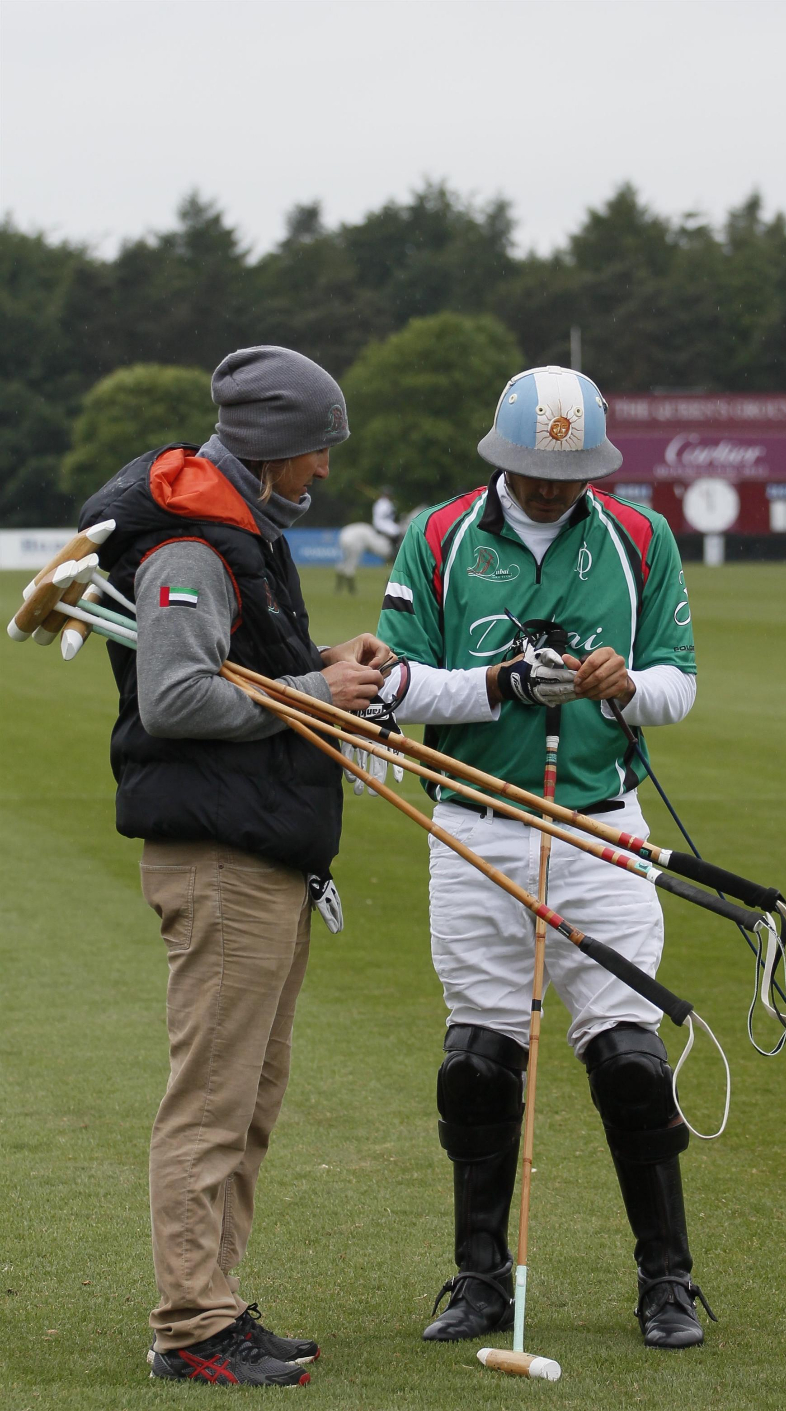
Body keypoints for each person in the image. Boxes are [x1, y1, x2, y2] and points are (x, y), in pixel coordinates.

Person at [375, 365, 710, 1350]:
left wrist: (617, 688)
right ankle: (477, 1280)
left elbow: (677, 686)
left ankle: (669, 1281)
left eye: (570, 473)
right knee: (478, 1062)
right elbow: (394, 684)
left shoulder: (639, 538)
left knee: (631, 1063)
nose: (553, 487)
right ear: (499, 456)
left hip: (601, 830)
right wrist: (500, 685)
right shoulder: (437, 536)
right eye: (534, 470)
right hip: (473, 826)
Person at [78, 345, 392, 1386]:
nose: (325, 473)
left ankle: (211, 1305)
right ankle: (191, 1321)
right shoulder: (192, 549)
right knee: (214, 1098)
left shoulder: (238, 527)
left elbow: (241, 675)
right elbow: (175, 700)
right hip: (219, 855)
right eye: (316, 450)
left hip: (258, 846)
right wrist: (314, 697)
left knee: (248, 1097)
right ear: (270, 444)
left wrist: (319, 674)